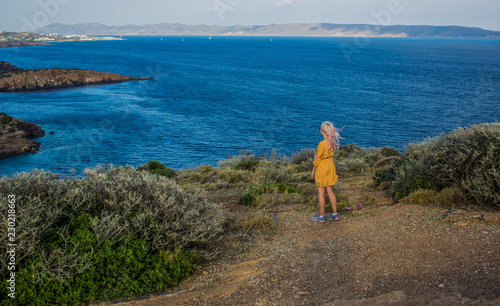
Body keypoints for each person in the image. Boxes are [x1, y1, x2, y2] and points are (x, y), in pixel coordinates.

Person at [311, 121, 341, 223]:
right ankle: (335, 214)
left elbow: (317, 159)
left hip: (322, 166)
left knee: (321, 192)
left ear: (323, 131)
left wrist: (313, 172)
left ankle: (321, 216)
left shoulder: (322, 144)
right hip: (330, 165)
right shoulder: (332, 142)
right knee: (329, 190)